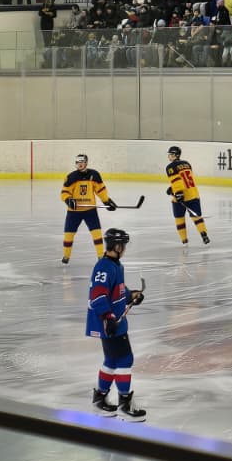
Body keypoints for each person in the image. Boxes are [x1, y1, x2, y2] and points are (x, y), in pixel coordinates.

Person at [86, 227, 146, 421]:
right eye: (124, 245)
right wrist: (109, 317)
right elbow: (97, 296)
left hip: (114, 322)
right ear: (118, 246)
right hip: (110, 324)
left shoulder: (116, 266)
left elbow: (118, 291)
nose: (125, 249)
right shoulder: (103, 267)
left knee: (111, 361)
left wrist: (131, 295)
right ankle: (124, 404)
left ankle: (99, 398)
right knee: (125, 359)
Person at [61, 152, 118, 265]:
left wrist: (106, 201)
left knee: (97, 233)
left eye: (82, 162)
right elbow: (64, 192)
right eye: (78, 162)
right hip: (74, 212)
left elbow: (100, 190)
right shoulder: (71, 177)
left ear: (86, 163)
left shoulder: (94, 175)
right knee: (68, 235)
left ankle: (101, 256)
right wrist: (68, 200)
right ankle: (66, 256)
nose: (80, 164)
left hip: (90, 211)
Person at [164, 145, 210, 248]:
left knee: (179, 218)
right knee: (196, 217)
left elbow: (176, 181)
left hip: (181, 196)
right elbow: (185, 179)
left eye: (170, 154)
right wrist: (172, 189)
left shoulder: (170, 167)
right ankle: (204, 235)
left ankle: (184, 241)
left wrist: (177, 192)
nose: (169, 156)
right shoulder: (187, 164)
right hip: (193, 194)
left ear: (175, 155)